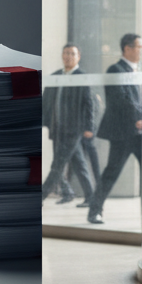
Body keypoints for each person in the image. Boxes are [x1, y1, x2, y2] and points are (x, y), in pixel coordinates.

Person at [88, 33, 142, 225]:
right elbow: (119, 99)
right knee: (111, 172)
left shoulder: (140, 70)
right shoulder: (115, 69)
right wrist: (137, 118)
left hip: (141, 133)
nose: (140, 50)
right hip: (123, 133)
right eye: (138, 46)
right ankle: (94, 211)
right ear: (127, 48)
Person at [41, 44, 96, 204]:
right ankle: (83, 195)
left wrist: (89, 127)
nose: (68, 56)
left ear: (78, 56)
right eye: (65, 53)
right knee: (78, 163)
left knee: (57, 164)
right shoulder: (56, 76)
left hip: (74, 129)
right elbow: (46, 102)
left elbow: (89, 104)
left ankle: (41, 196)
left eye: (72, 53)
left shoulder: (82, 76)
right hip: (57, 128)